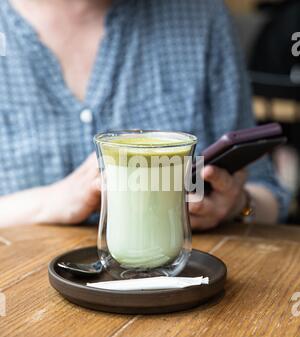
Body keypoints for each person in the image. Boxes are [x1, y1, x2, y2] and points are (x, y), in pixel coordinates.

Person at [0, 0, 290, 230]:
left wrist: (238, 205)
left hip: (180, 288)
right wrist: (48, 202)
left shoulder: (200, 15)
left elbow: (268, 194)